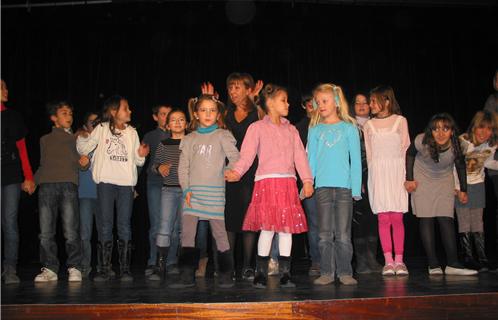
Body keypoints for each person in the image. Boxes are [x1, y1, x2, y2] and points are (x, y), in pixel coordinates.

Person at [226, 83, 314, 289]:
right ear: (270, 103)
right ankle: (260, 272)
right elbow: (246, 155)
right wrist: (237, 172)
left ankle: (285, 273)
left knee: (286, 230)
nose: (288, 104)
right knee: (266, 229)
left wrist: (307, 180)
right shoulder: (256, 128)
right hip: (266, 183)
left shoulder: (291, 130)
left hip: (287, 184)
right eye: (283, 100)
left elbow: (300, 157)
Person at [169, 94, 239, 289]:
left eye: (212, 110)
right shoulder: (189, 138)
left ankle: (226, 275)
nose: (208, 114)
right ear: (196, 114)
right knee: (187, 235)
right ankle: (186, 276)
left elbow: (235, 157)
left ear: (218, 114)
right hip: (193, 194)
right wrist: (186, 189)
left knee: (220, 235)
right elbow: (183, 168)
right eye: (203, 110)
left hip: (215, 193)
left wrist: (228, 170)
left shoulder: (223, 135)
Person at [77, 95, 149, 282]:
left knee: (124, 225)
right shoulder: (101, 129)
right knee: (106, 225)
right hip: (106, 182)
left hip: (126, 184)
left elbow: (137, 160)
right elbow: (85, 148)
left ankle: (125, 269)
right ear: (113, 112)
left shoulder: (132, 132)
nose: (130, 111)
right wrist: (81, 138)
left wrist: (141, 155)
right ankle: (104, 268)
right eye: (126, 108)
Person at [202, 73, 264, 280]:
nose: (233, 92)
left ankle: (248, 266)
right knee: (229, 219)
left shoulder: (258, 113)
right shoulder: (226, 113)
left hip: (252, 172)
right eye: (230, 88)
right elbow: (208, 125)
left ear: (248, 90)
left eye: (237, 87)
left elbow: (268, 128)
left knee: (248, 218)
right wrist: (210, 101)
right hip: (228, 171)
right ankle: (228, 266)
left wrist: (257, 101)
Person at [405, 113, 477, 275]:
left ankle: (453, 264)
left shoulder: (459, 144)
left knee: (446, 218)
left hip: (444, 179)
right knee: (427, 218)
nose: (441, 133)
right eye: (436, 129)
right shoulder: (421, 140)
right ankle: (433, 265)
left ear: (452, 131)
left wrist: (463, 189)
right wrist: (409, 179)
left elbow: (460, 166)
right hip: (422, 177)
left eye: (445, 129)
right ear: (430, 131)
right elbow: (409, 154)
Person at [307, 84, 361, 286]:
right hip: (322, 188)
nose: (320, 105)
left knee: (344, 233)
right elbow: (310, 159)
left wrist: (355, 188)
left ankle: (345, 271)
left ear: (337, 102)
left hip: (344, 189)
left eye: (325, 101)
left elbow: (355, 160)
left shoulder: (349, 128)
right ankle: (327, 272)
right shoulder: (314, 129)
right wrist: (308, 183)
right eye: (318, 101)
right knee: (324, 234)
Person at [34, 101, 88, 282]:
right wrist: (32, 181)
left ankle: (74, 266)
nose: (69, 117)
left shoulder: (76, 139)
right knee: (45, 232)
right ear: (54, 118)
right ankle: (49, 268)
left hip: (68, 186)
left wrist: (84, 163)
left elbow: (80, 163)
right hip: (46, 186)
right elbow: (43, 164)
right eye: (64, 113)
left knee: (71, 231)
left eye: (71, 114)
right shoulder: (44, 139)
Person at [363, 85, 410, 276]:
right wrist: (371, 179)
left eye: (374, 100)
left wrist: (407, 177)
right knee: (383, 218)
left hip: (397, 172)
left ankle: (400, 260)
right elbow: (370, 155)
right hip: (378, 174)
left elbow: (405, 149)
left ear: (387, 100)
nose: (370, 104)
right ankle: (388, 261)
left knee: (397, 218)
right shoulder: (368, 125)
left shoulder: (400, 121)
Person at [1, 79, 36, 284]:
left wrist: (29, 176)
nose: (6, 90)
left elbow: (22, 150)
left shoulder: (13, 117)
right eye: (2, 87)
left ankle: (10, 268)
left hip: (11, 176)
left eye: (6, 86)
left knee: (9, 222)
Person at [455, 110, 498, 272]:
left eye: (489, 129)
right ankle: (467, 257)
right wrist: (458, 189)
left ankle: (482, 258)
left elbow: (487, 163)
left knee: (478, 222)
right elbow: (454, 167)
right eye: (481, 127)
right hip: (462, 187)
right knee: (465, 222)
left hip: (478, 185)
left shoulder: (489, 145)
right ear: (474, 127)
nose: (484, 132)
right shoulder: (463, 142)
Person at [147, 109, 186, 280]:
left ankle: (177, 263)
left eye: (181, 119)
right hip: (168, 190)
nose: (177, 123)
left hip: (187, 191)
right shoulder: (164, 144)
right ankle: (160, 265)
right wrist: (159, 168)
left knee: (182, 230)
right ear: (168, 125)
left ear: (186, 123)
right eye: (174, 120)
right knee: (164, 228)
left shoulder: (191, 142)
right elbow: (153, 166)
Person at [349, 92, 382, 274]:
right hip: (357, 175)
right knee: (359, 218)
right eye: (357, 102)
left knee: (373, 216)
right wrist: (357, 179)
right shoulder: (349, 125)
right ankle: (361, 261)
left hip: (376, 175)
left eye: (365, 103)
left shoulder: (377, 124)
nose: (361, 105)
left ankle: (372, 258)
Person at [142, 104, 175, 277]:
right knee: (156, 225)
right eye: (163, 114)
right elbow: (141, 161)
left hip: (175, 185)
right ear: (156, 117)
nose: (166, 117)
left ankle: (170, 262)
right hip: (155, 184)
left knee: (174, 226)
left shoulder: (178, 134)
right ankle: (153, 261)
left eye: (169, 114)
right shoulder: (150, 136)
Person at [295, 93, 321, 276]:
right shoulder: (299, 128)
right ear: (304, 106)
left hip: (330, 180)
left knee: (331, 223)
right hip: (309, 181)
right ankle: (316, 261)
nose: (312, 106)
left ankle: (332, 260)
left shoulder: (329, 123)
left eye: (315, 103)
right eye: (308, 104)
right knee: (313, 223)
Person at [76, 112, 101, 279]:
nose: (95, 125)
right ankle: (85, 266)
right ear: (85, 126)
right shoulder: (80, 140)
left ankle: (102, 267)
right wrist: (78, 134)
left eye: (98, 122)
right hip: (84, 193)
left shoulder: (104, 140)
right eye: (92, 122)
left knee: (103, 232)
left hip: (103, 193)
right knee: (84, 233)